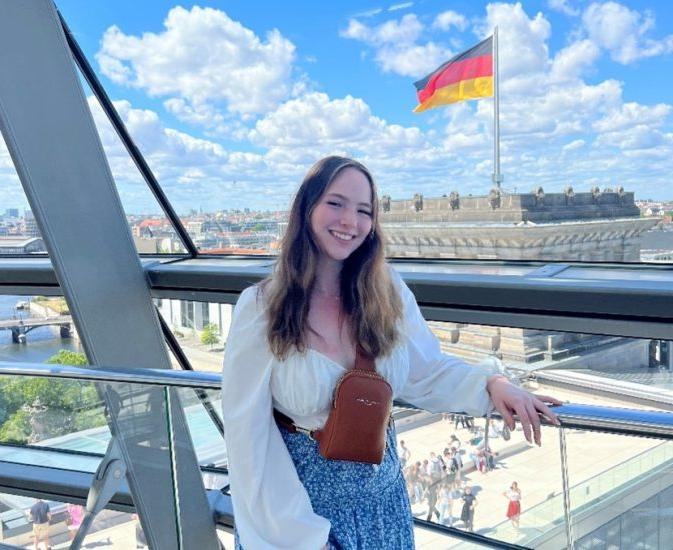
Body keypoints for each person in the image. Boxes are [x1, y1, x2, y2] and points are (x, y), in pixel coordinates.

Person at [221, 156, 561, 549]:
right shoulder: (262, 306)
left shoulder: (388, 292)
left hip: (382, 506)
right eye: (336, 203)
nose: (350, 221)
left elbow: (426, 371)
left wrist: (493, 383)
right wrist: (293, 534)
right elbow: (246, 433)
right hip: (295, 514)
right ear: (307, 207)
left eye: (364, 211)